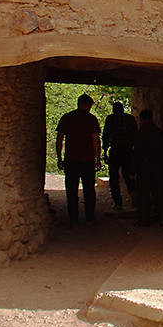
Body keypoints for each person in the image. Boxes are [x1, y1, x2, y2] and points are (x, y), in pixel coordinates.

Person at [55, 94, 101, 228]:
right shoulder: (91, 119)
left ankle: (73, 220)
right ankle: (90, 218)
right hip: (87, 160)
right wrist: (97, 159)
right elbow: (95, 140)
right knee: (89, 190)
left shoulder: (67, 118)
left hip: (71, 160)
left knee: (71, 190)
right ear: (87, 105)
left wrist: (59, 157)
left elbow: (59, 139)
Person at [132, 109, 163, 228]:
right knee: (160, 195)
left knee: (143, 196)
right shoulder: (159, 133)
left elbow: (137, 153)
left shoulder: (140, 133)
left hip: (144, 169)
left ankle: (143, 221)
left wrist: (133, 170)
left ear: (141, 119)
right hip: (158, 169)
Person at [102, 100, 138, 211]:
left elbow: (106, 136)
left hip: (115, 150)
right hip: (128, 150)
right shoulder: (130, 119)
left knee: (114, 177)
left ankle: (118, 203)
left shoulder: (110, 119)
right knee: (129, 175)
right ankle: (134, 197)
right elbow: (136, 134)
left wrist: (104, 150)